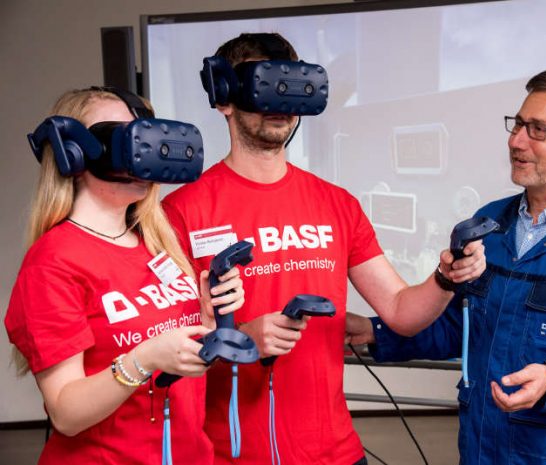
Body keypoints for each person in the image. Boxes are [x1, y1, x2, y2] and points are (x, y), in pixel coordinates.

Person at [161, 32, 486, 465]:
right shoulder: (180, 211)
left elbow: (402, 313)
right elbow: (160, 347)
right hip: (230, 454)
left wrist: (447, 277)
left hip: (335, 452)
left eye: (290, 86)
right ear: (224, 97)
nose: (280, 104)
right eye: (263, 86)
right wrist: (237, 340)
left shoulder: (336, 204)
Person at [345, 70, 546, 465]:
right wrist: (376, 332)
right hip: (482, 450)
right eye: (518, 124)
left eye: (538, 130)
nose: (516, 141)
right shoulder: (488, 224)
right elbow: (461, 327)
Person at [4, 87, 244, 465]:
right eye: (122, 137)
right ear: (73, 153)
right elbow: (65, 414)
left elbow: (178, 356)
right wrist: (144, 360)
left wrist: (206, 323)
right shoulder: (53, 261)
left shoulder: (157, 244)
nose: (141, 150)